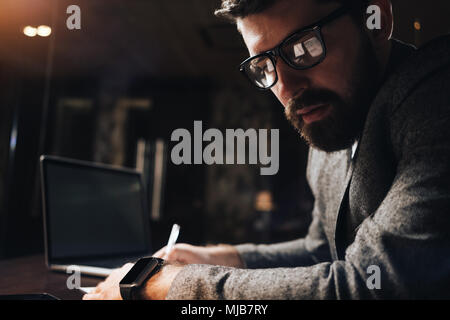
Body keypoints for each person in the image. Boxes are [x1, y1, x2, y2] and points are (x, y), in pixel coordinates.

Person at [83, 0, 450, 300]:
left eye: (304, 47)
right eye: (264, 64)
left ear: (377, 20)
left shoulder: (436, 91)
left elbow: (379, 284)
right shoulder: (329, 138)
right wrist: (219, 257)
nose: (286, 88)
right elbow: (321, 252)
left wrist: (170, 287)